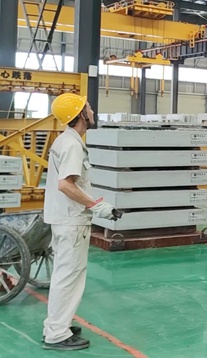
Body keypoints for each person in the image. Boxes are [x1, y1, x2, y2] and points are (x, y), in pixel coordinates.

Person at [42, 93, 122, 351]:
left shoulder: (67, 141)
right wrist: (97, 206)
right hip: (71, 221)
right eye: (88, 108)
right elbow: (66, 185)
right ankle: (57, 334)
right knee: (69, 277)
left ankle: (57, 325)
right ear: (80, 116)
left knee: (65, 275)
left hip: (65, 219)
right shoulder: (72, 146)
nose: (92, 111)